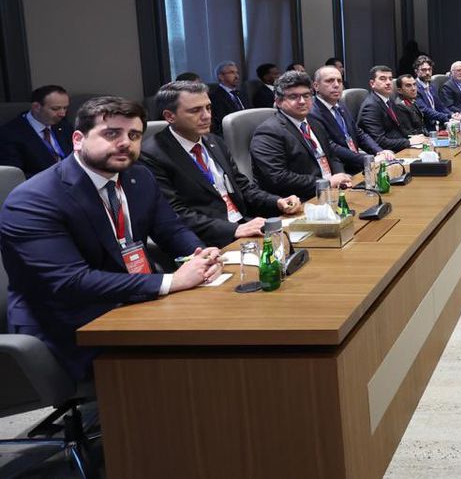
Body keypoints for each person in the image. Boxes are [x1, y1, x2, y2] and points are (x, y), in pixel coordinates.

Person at [0, 96, 222, 380]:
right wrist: (171, 281)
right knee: (197, 362)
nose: (125, 143)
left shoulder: (139, 177)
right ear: (78, 139)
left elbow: (171, 230)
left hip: (133, 303)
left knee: (220, 330)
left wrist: (201, 255)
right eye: (111, 134)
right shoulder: (34, 200)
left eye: (134, 135)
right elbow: (71, 282)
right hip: (70, 324)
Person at [139, 81, 301, 247]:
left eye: (208, 108)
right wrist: (234, 230)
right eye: (195, 110)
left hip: (245, 225)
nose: (206, 116)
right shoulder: (152, 155)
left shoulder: (214, 141)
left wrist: (277, 202)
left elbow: (243, 187)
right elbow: (176, 214)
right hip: (210, 240)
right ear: (169, 116)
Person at [249, 70, 352, 198]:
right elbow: (278, 177)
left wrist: (340, 177)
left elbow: (332, 156)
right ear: (279, 102)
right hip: (299, 199)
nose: (302, 101)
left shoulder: (314, 123)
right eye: (294, 97)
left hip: (331, 191)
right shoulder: (268, 132)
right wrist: (326, 183)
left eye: (306, 95)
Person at [309, 65, 388, 173]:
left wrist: (379, 151)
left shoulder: (340, 105)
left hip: (357, 164)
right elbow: (330, 146)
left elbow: (358, 133)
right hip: (340, 170)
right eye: (329, 81)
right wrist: (367, 159)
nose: (336, 85)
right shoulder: (312, 112)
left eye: (339, 81)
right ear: (316, 86)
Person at [0, 84, 72, 178]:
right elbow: (14, 175)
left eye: (65, 108)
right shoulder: (10, 134)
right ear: (36, 107)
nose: (62, 114)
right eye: (55, 109)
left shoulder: (64, 125)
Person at [360, 65, 420, 152]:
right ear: (372, 84)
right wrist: (409, 142)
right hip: (384, 153)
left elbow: (399, 128)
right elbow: (379, 141)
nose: (388, 82)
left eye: (390, 79)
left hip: (398, 147)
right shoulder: (370, 107)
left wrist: (414, 138)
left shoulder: (389, 100)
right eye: (383, 79)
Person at [208, 61, 246, 136]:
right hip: (232, 134)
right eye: (232, 72)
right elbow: (221, 123)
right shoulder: (215, 97)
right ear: (221, 77)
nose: (237, 76)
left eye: (237, 73)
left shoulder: (242, 94)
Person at [413, 57, 454, 125]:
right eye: (423, 70)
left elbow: (440, 106)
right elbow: (425, 111)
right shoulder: (414, 88)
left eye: (429, 69)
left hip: (438, 123)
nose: (427, 73)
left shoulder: (432, 86)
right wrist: (447, 117)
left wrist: (452, 115)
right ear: (416, 71)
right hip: (426, 126)